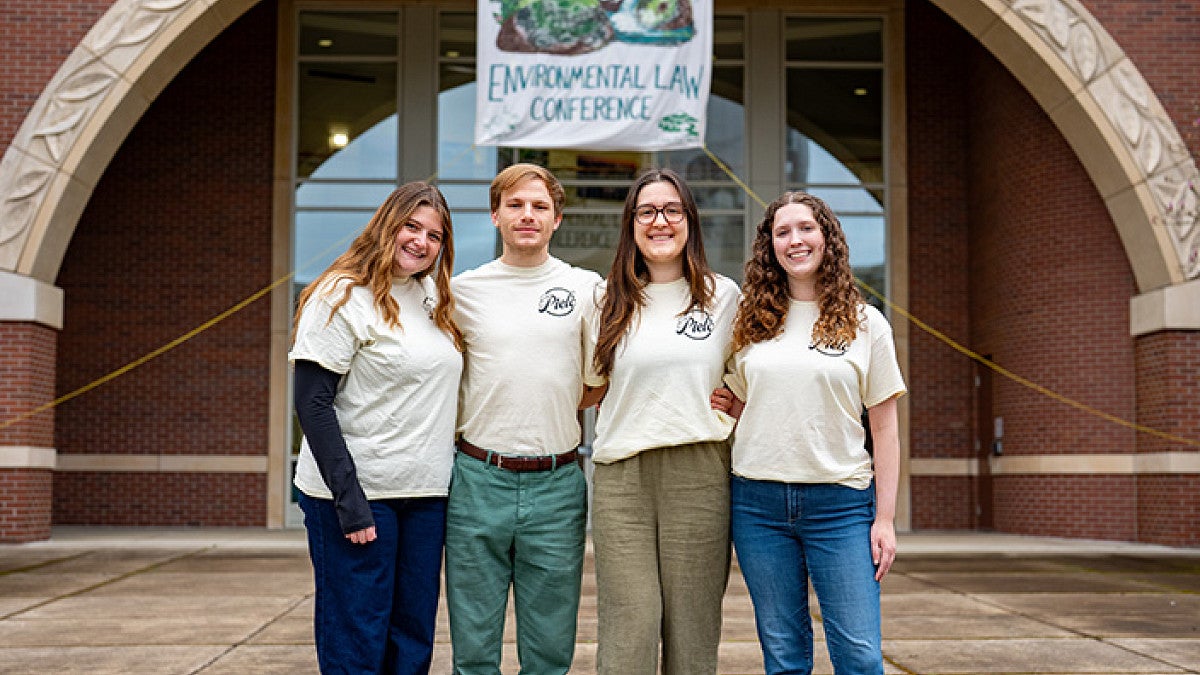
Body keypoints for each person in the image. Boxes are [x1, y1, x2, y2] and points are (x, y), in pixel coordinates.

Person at [713, 191, 905, 675]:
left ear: (827, 238)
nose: (795, 240)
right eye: (782, 232)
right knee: (784, 657)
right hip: (758, 505)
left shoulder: (866, 325)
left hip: (840, 505)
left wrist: (884, 519)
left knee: (859, 656)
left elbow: (884, 428)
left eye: (806, 228)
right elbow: (738, 401)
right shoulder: (751, 324)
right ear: (769, 246)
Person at [290, 181, 464, 675]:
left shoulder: (434, 298)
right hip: (359, 496)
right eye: (411, 226)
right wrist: (351, 502)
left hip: (426, 495)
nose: (421, 242)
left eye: (434, 235)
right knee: (357, 637)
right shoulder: (341, 294)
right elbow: (313, 402)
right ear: (387, 224)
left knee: (411, 638)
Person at [445, 163, 602, 675]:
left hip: (557, 485)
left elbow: (597, 382)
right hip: (476, 481)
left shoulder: (585, 288)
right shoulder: (461, 291)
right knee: (473, 649)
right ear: (495, 215)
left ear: (557, 219)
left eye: (539, 206)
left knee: (551, 651)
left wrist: (544, 401)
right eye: (515, 205)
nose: (527, 215)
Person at [583, 168, 739, 675]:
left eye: (672, 210)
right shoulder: (605, 300)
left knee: (692, 631)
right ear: (631, 224)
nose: (659, 222)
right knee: (632, 624)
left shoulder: (724, 296)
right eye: (646, 211)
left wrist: (738, 404)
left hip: (699, 473)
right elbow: (586, 387)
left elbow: (753, 376)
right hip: (621, 477)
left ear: (690, 221)